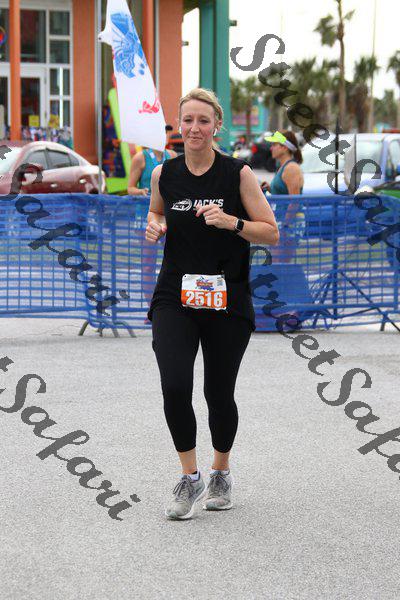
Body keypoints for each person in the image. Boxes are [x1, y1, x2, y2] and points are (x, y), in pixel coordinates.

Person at [145, 87, 279, 520]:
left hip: (227, 297)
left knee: (218, 394)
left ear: (217, 125)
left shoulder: (238, 174)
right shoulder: (164, 173)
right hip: (175, 295)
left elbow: (271, 231)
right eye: (188, 120)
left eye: (203, 120)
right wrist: (155, 224)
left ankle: (221, 471)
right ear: (179, 124)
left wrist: (232, 222)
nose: (195, 128)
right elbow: (158, 212)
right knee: (174, 386)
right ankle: (190, 477)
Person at [128, 144, 177, 316]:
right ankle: (152, 309)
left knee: (173, 262)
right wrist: (140, 191)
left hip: (170, 217)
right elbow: (130, 188)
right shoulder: (140, 157)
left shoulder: (172, 155)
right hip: (145, 218)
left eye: (165, 132)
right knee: (148, 265)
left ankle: (171, 306)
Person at [262, 130, 304, 263]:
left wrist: (284, 226)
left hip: (289, 224)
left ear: (285, 148)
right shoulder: (282, 167)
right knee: (277, 264)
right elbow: (283, 191)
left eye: (274, 145)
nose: (271, 148)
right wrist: (270, 188)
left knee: (280, 264)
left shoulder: (291, 168)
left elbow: (294, 201)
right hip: (281, 222)